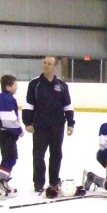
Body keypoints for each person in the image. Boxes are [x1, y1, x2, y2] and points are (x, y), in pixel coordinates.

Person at [22, 56, 75, 193]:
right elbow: (28, 104)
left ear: (55, 66)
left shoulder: (62, 86)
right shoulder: (34, 84)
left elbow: (68, 105)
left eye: (49, 63)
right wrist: (27, 122)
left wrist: (70, 123)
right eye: (44, 63)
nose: (46, 65)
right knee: (38, 155)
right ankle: (39, 183)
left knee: (56, 154)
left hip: (57, 126)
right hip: (40, 126)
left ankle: (54, 181)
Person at [0, 75, 24, 198]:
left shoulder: (3, 98)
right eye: (15, 85)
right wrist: (19, 130)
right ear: (8, 87)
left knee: (9, 157)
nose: (17, 87)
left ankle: (2, 183)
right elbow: (8, 120)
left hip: (2, 131)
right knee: (10, 158)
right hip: (5, 132)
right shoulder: (6, 99)